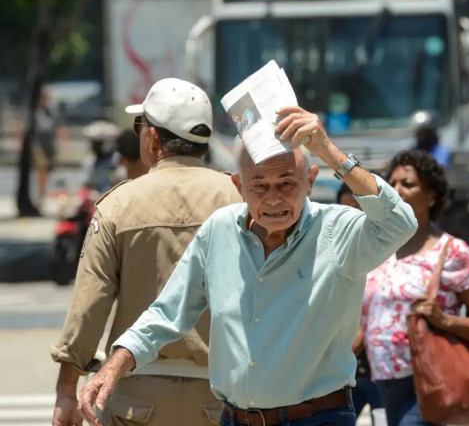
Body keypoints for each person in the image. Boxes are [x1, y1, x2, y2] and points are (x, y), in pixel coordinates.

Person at [77, 105, 418, 426]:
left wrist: (328, 150)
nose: (273, 199)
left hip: (317, 418)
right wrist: (113, 367)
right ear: (239, 186)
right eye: (259, 186)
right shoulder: (219, 229)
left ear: (311, 181)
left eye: (287, 183)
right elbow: (167, 313)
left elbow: (400, 223)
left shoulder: (339, 231)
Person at [50, 78, 243, 426]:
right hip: (224, 396)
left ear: (152, 138)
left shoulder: (118, 205)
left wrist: (66, 391)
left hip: (135, 397)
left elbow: (88, 306)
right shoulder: (240, 199)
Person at [361, 150, 469, 426]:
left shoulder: (453, 253)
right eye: (392, 183)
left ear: (432, 196)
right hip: (380, 381)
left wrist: (445, 320)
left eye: (408, 184)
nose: (397, 190)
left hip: (427, 381)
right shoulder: (377, 246)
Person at [336, 182, 384, 424]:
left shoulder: (390, 252)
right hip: (345, 376)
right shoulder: (334, 255)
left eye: (360, 208)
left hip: (385, 374)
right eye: (348, 210)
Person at [31, 87, 69, 204]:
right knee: (42, 168)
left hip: (50, 145)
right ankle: (40, 195)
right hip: (38, 145)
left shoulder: (53, 112)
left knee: (47, 170)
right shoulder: (35, 111)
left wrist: (64, 143)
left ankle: (43, 192)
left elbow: (59, 127)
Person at [80, 120, 120, 193]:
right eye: (94, 143)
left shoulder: (116, 159)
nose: (95, 146)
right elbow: (86, 182)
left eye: (98, 143)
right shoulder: (90, 161)